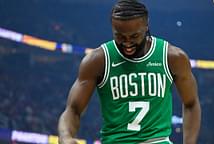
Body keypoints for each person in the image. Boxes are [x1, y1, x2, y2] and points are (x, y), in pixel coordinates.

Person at [58, 0, 201, 144]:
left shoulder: (172, 57)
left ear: (146, 26)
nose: (127, 43)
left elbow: (191, 103)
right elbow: (73, 110)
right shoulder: (97, 60)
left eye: (134, 36)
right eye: (120, 36)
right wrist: (65, 137)